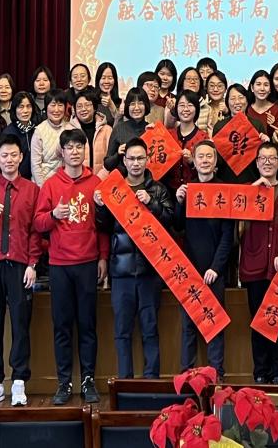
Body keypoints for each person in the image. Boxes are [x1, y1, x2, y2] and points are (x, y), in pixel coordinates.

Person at [34, 129, 108, 405]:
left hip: (88, 263)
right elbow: (38, 223)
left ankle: (88, 380)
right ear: (62, 152)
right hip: (59, 265)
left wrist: (103, 257)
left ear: (84, 151)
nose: (75, 152)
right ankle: (63, 382)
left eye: (79, 147)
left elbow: (102, 225)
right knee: (62, 326)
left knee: (88, 325)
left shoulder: (95, 183)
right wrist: (54, 215)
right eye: (70, 147)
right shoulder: (51, 185)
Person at [96, 136, 176, 379]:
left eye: (140, 158)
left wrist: (151, 203)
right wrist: (100, 206)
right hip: (121, 272)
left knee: (150, 329)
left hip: (150, 271)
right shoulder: (114, 189)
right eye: (131, 158)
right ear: (124, 160)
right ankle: (124, 382)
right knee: (122, 332)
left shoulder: (158, 189)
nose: (136, 163)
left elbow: (171, 221)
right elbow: (103, 226)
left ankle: (151, 381)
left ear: (147, 159)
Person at [0, 133, 40, 408]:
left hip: (21, 264)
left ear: (21, 157)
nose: (9, 159)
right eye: (5, 155)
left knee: (21, 324)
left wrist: (32, 264)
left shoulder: (32, 190)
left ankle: (20, 380)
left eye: (14, 155)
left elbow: (35, 231)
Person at [240, 141, 278, 385]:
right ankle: (260, 371)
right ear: (256, 163)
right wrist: (253, 191)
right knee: (258, 321)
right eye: (262, 159)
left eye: (272, 158)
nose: (267, 162)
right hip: (254, 267)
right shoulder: (247, 190)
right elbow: (237, 220)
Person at [175, 140, 234, 377]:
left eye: (209, 156)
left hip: (214, 270)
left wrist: (216, 268)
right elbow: (178, 227)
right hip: (189, 269)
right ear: (194, 160)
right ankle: (186, 374)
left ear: (215, 160)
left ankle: (216, 373)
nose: (205, 160)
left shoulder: (224, 190)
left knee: (214, 322)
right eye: (201, 156)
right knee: (188, 324)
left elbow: (228, 236)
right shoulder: (187, 189)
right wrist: (179, 202)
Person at [103, 89, 150, 177]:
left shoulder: (151, 129)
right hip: (124, 181)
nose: (136, 108)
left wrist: (155, 134)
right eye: (132, 104)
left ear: (146, 105)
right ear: (127, 107)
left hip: (147, 180)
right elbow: (107, 165)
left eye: (140, 103)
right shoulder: (119, 129)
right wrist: (118, 154)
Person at [72, 91, 113, 175]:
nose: (83, 109)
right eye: (79, 106)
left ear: (94, 107)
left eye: (87, 105)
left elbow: (111, 158)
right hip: (77, 179)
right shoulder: (68, 130)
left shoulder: (107, 130)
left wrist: (100, 177)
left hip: (102, 179)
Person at [247, 70, 278, 140]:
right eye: (258, 84)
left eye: (266, 85)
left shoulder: (277, 110)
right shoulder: (246, 109)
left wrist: (272, 125)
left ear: (270, 89)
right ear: (252, 88)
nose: (262, 89)